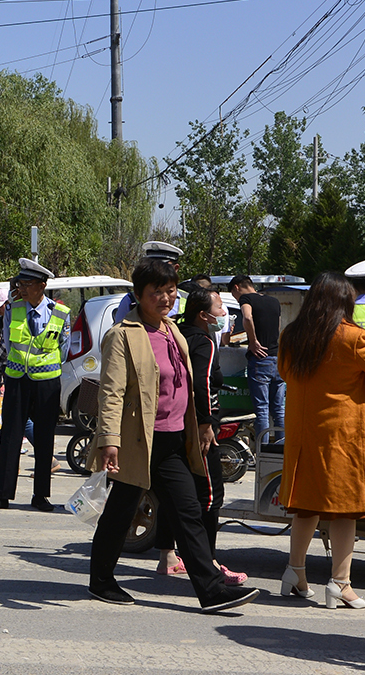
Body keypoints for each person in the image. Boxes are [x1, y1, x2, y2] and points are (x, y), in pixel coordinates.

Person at [85, 257, 261, 612]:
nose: (166, 299)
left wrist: (202, 423)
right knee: (121, 513)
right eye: (157, 292)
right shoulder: (122, 335)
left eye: (170, 291)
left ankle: (210, 590)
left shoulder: (172, 330)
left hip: (173, 440)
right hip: (138, 441)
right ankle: (101, 580)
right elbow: (111, 391)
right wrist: (109, 441)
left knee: (188, 512)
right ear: (138, 295)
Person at [273, 273, 365, 607]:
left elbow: (284, 373)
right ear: (345, 304)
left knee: (306, 507)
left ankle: (295, 572)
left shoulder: (291, 336)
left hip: (303, 436)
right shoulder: (353, 338)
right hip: (342, 437)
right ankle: (340, 584)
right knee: (346, 512)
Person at [0, 259, 65, 511]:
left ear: (42, 285)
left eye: (28, 283)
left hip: (47, 383)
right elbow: (7, 339)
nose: (23, 288)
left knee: (44, 438)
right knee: (10, 437)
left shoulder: (60, 313)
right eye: (20, 283)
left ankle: (41, 495)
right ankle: (1, 495)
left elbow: (64, 347)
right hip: (17, 380)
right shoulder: (12, 309)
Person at [179, 288, 250, 585]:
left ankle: (171, 558)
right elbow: (203, 384)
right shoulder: (204, 342)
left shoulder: (179, 334)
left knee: (181, 496)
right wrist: (207, 422)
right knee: (210, 496)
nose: (224, 313)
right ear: (203, 315)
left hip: (176, 423)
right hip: (199, 429)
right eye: (220, 307)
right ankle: (209, 563)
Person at [230, 273, 284, 448]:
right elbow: (278, 326)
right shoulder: (274, 301)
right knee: (279, 409)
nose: (237, 298)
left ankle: (262, 449)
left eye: (234, 295)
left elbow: (247, 317)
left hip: (260, 360)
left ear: (237, 287)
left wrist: (253, 341)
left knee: (261, 409)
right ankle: (282, 447)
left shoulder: (246, 298)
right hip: (277, 358)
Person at [110, 241, 184, 323]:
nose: (157, 271)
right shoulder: (130, 300)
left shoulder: (187, 299)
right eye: (151, 266)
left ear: (175, 269)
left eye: (163, 266)